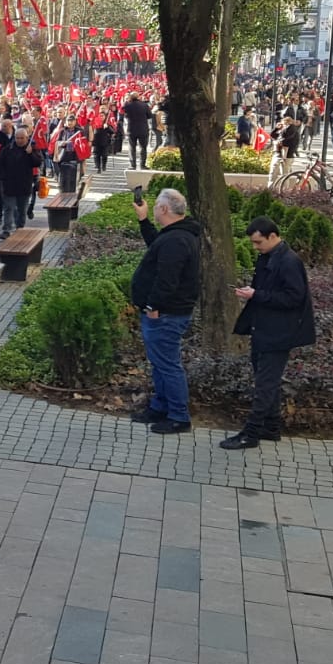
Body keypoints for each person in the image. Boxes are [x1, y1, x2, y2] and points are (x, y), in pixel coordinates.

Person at [225, 217, 316, 451]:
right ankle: (271, 427)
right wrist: (253, 293)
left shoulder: (288, 262)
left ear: (273, 236)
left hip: (278, 332)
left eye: (258, 242)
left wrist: (256, 295)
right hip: (265, 328)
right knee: (268, 382)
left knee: (265, 384)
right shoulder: (270, 257)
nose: (255, 247)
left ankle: (252, 433)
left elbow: (294, 298)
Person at [130, 188, 202, 435]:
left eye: (156, 209)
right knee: (160, 363)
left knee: (168, 365)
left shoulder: (177, 239)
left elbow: (167, 280)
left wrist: (153, 306)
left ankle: (179, 416)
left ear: (163, 209)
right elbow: (156, 246)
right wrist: (143, 220)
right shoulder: (176, 235)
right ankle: (160, 407)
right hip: (166, 313)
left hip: (166, 314)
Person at [0, 128, 41, 239]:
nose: (19, 140)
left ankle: (20, 227)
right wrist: (2, 179)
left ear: (27, 138)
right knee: (8, 208)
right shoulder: (7, 149)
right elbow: (0, 165)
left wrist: (31, 154)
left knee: (21, 209)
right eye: (17, 138)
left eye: (22, 138)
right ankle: (6, 229)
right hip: (9, 184)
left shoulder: (31, 149)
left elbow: (37, 163)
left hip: (24, 184)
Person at [123, 92, 153, 169]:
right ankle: (142, 165)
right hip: (143, 128)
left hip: (132, 129)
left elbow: (125, 114)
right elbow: (149, 116)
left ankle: (133, 165)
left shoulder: (128, 105)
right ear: (138, 97)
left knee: (132, 148)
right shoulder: (144, 105)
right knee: (143, 148)